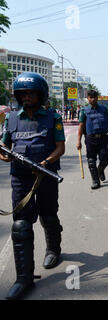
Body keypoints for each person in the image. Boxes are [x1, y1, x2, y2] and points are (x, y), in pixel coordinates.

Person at [0, 72, 65, 300]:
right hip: (20, 178)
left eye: (31, 93)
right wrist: (4, 154)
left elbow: (60, 148)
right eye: (23, 94)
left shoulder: (52, 117)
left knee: (48, 216)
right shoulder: (11, 119)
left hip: (45, 175)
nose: (27, 97)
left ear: (41, 95)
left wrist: (46, 163)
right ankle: (24, 278)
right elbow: (4, 144)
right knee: (20, 226)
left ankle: (53, 249)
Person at [76, 90, 108, 189]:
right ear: (88, 98)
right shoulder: (84, 111)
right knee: (91, 161)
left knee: (104, 160)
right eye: (90, 97)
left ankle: (100, 171)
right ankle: (95, 181)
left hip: (103, 139)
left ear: (97, 98)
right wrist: (78, 141)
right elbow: (81, 127)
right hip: (90, 140)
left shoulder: (103, 109)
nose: (93, 99)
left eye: (94, 97)